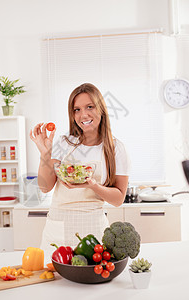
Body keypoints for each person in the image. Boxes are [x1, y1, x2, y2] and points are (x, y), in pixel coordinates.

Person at [30, 83, 130, 250]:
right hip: (58, 229)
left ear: (101, 109)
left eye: (89, 107)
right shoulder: (64, 143)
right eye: (77, 109)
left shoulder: (116, 149)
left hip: (94, 231)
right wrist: (45, 153)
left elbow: (118, 199)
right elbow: (45, 187)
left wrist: (93, 185)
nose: (83, 115)